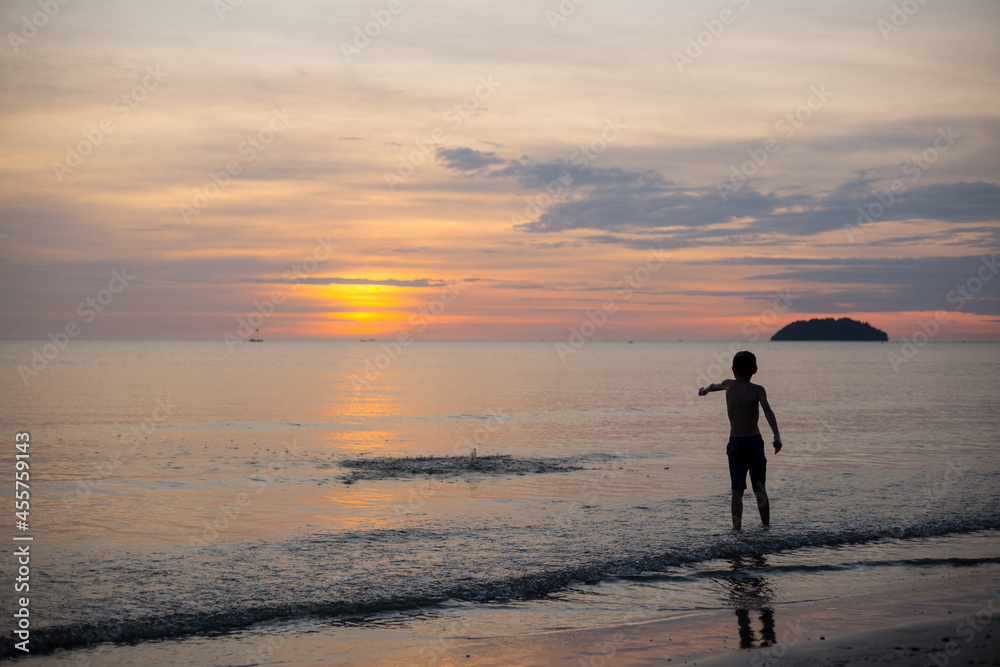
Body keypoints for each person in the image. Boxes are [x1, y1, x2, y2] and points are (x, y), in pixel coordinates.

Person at [699, 351, 782, 530]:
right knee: (760, 488)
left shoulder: (729, 385)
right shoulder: (758, 390)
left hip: (736, 443)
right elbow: (768, 411)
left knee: (737, 491)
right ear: (756, 370)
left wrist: (703, 390)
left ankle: (737, 532)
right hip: (754, 442)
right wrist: (776, 435)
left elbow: (712, 386)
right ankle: (766, 527)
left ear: (733, 370)